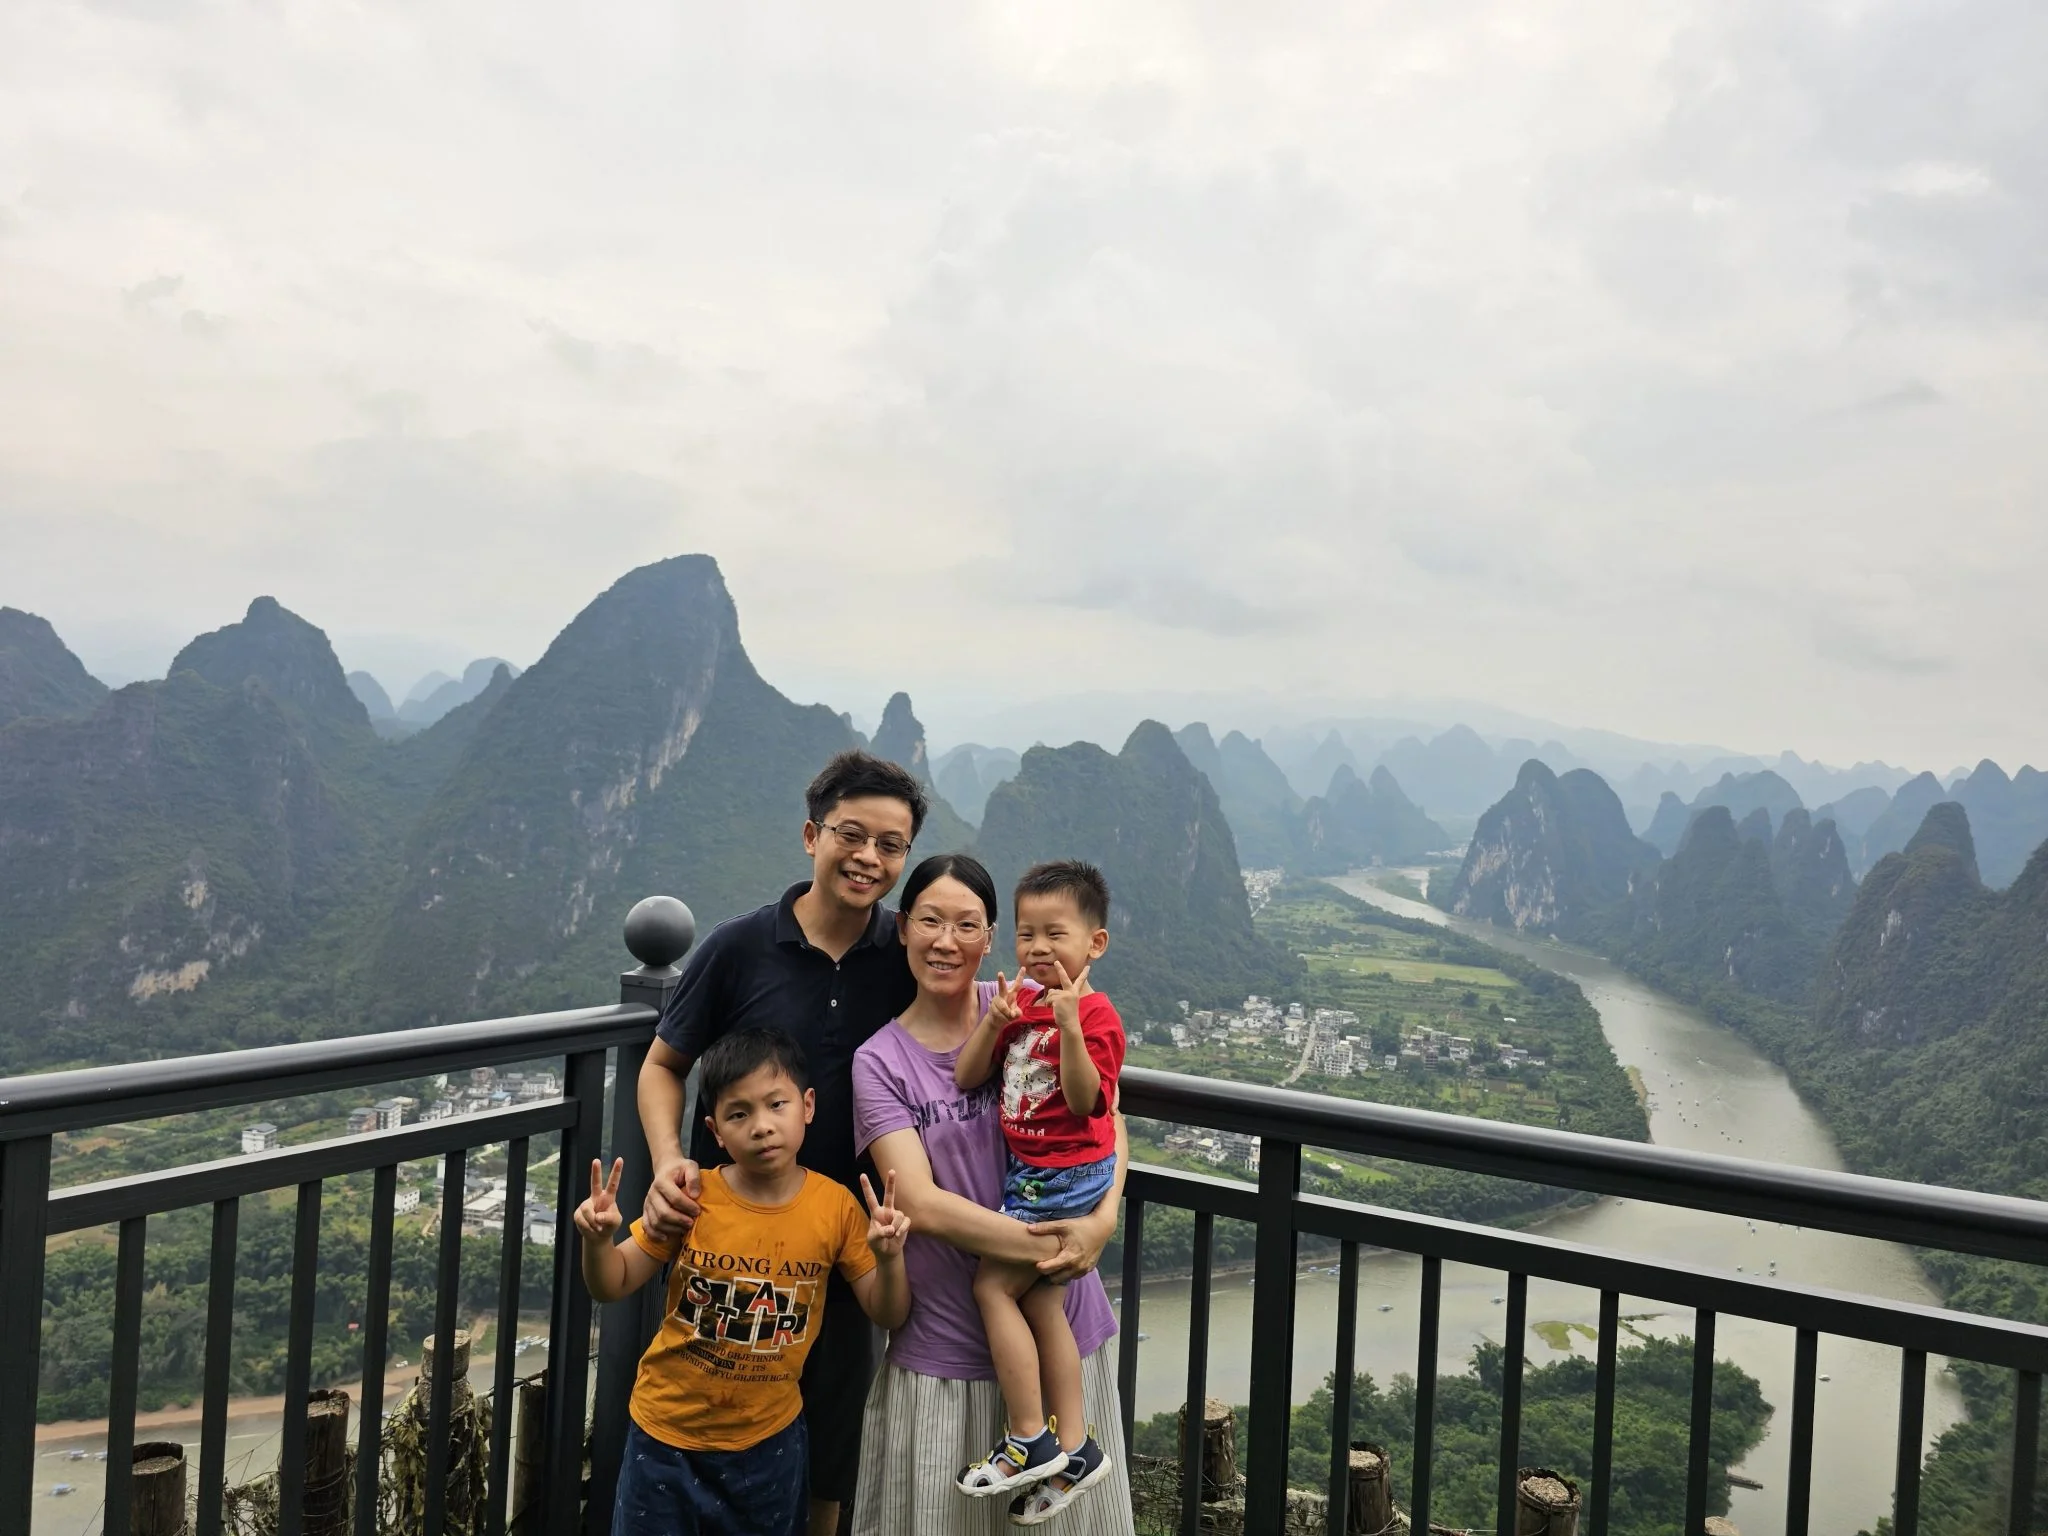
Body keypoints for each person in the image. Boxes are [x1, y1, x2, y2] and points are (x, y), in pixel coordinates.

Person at [636, 750, 925, 1536]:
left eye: (891, 845)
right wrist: (671, 1162)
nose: (869, 858)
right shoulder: (737, 948)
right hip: (727, 1235)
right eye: (851, 834)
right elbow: (664, 1067)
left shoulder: (909, 953)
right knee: (699, 1407)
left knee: (832, 1429)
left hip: (845, 1238)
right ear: (812, 835)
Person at [851, 853, 1136, 1533]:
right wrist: (1059, 1242)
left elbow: (1109, 1119)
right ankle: (1030, 1440)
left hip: (1065, 1331)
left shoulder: (1043, 1007)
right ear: (902, 928)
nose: (946, 941)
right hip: (946, 1353)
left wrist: (1100, 1223)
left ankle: (1052, 1443)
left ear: (987, 940)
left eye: (966, 925)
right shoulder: (881, 1062)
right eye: (929, 921)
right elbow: (918, 1202)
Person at [579, 1027, 912, 1536]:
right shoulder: (694, 1197)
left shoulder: (836, 1208)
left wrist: (889, 1259)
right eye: (739, 1114)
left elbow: (887, 1312)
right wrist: (599, 1242)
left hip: (769, 1442)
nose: (761, 1127)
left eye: (776, 1105)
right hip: (665, 1435)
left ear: (808, 1105)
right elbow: (613, 1282)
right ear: (715, 1131)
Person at [950, 861, 1123, 1509]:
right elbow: (969, 1077)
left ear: (1094, 944)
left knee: (992, 1285)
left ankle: (1029, 1438)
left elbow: (1085, 1103)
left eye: (1056, 934)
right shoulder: (1019, 1005)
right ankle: (1076, 1447)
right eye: (1027, 936)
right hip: (1033, 1175)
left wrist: (1071, 1025)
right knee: (1042, 1301)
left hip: (1066, 1178)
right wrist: (994, 1021)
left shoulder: (1097, 1014)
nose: (1040, 949)